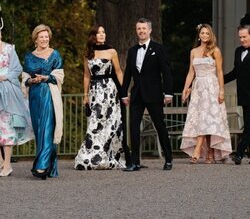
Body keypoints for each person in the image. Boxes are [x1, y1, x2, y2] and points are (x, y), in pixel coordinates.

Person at [122, 18, 174, 171]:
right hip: (137, 94)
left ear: (150, 30)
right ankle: (135, 162)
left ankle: (169, 158)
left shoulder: (158, 49)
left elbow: (166, 72)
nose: (141, 31)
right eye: (139, 29)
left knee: (160, 126)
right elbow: (128, 74)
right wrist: (124, 93)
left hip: (154, 94)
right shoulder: (132, 51)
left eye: (144, 28)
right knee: (134, 128)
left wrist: (169, 92)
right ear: (136, 30)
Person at [74, 24, 125, 170]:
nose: (102, 34)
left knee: (111, 121)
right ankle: (91, 156)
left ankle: (109, 155)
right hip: (94, 91)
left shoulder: (111, 51)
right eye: (99, 32)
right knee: (95, 123)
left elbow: (119, 72)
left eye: (104, 32)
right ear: (93, 36)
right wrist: (85, 95)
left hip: (109, 89)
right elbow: (86, 76)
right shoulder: (88, 53)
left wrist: (123, 91)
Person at [180, 24, 232, 163]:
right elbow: (191, 72)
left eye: (207, 33)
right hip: (198, 88)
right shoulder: (193, 51)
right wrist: (186, 88)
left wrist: (221, 90)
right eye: (202, 33)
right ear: (199, 35)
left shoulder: (215, 50)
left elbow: (220, 72)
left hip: (211, 87)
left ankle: (198, 150)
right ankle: (209, 152)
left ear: (210, 36)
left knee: (209, 119)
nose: (204, 35)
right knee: (202, 119)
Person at [22, 24, 64, 179]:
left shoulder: (55, 54)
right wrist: (31, 81)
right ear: (36, 39)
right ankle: (51, 165)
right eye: (41, 37)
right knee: (40, 130)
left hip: (49, 94)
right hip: (34, 96)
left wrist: (46, 77)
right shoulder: (29, 56)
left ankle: (41, 167)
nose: (44, 39)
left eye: (46, 36)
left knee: (48, 127)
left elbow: (59, 76)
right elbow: (24, 77)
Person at [0, 13, 33, 177]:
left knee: (7, 128)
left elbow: (18, 68)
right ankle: (1, 162)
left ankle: (7, 165)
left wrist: (4, 76)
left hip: (7, 91)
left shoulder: (8, 48)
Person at [224, 14, 250, 165]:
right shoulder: (238, 51)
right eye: (240, 37)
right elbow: (235, 72)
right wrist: (220, 81)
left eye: (245, 37)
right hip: (244, 95)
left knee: (248, 127)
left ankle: (239, 153)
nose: (242, 40)